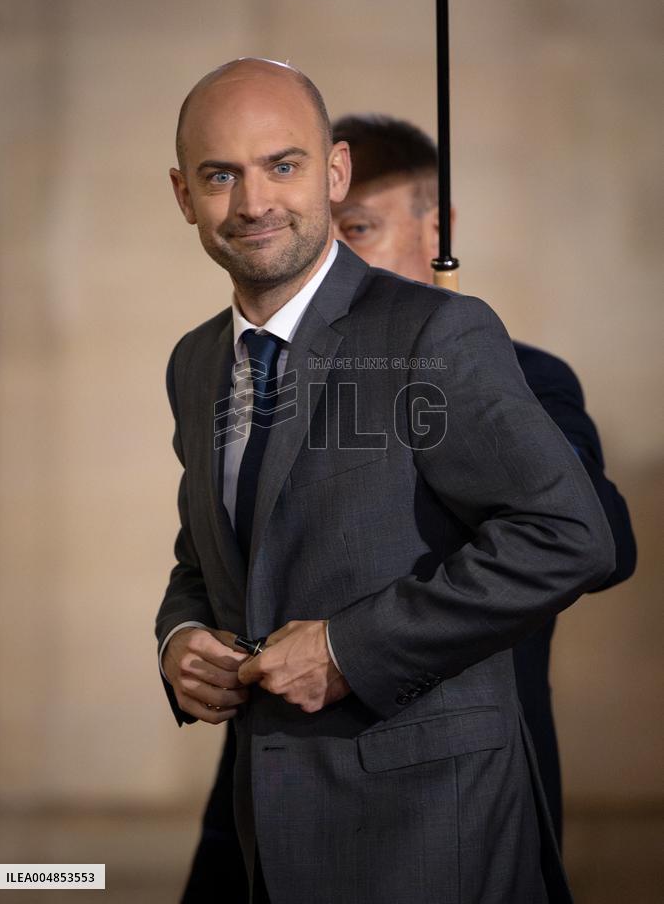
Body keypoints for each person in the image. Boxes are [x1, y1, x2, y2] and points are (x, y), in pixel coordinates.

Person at [156, 58, 617, 904]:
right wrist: (179, 640)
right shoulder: (194, 362)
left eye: (283, 166)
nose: (253, 202)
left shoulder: (437, 334)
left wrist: (346, 648)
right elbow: (208, 556)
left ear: (333, 173)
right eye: (222, 175)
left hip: (428, 837)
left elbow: (571, 536)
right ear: (185, 195)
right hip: (266, 832)